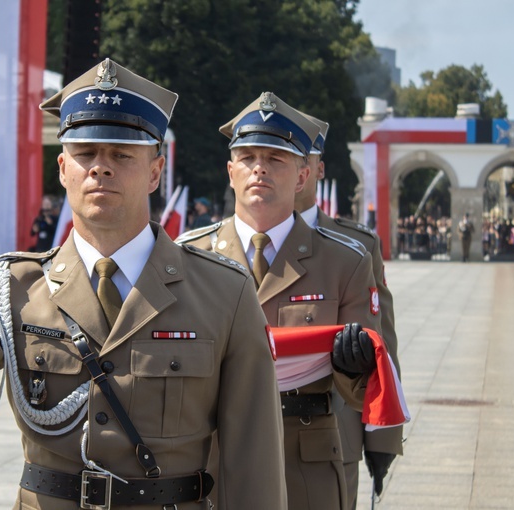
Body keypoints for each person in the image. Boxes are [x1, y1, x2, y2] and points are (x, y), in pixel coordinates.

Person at [0, 58, 287, 510]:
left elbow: (254, 457)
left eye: (121, 154)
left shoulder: (224, 291)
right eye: (86, 153)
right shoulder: (16, 285)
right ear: (62, 168)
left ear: (155, 171)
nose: (100, 168)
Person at [177, 92, 382, 510]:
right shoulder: (187, 258)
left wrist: (353, 366)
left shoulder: (345, 261)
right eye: (248, 157)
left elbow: (365, 388)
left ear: (303, 176)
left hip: (303, 459)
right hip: (212, 458)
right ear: (230, 171)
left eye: (275, 159)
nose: (259, 168)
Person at [295, 115, 403, 507]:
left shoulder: (356, 245)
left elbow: (382, 344)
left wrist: (383, 435)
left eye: (299, 156)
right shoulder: (213, 249)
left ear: (316, 168)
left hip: (334, 434)